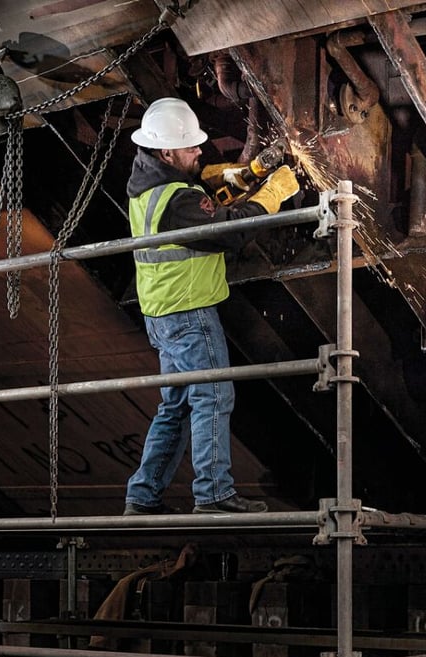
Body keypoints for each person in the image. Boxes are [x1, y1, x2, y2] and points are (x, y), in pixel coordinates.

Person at [122, 97, 302, 515]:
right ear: (166, 151)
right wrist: (270, 195)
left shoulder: (147, 185)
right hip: (190, 312)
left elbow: (196, 198)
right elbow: (228, 233)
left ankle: (143, 497)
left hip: (162, 314)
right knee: (213, 396)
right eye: (190, 147)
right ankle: (214, 494)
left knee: (177, 404)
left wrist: (240, 177)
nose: (199, 151)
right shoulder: (178, 200)